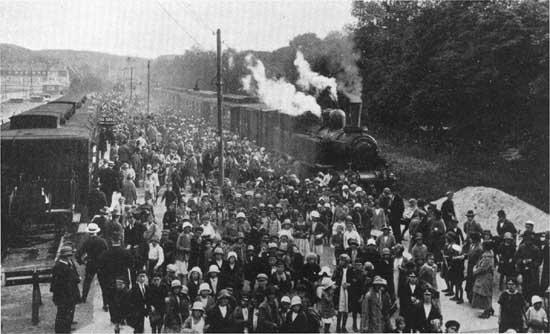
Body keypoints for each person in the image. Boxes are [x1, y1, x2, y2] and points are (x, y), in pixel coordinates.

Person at [76, 223, 108, 306]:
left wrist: (82, 262)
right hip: (101, 265)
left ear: (89, 232)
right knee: (103, 284)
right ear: (97, 232)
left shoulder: (87, 242)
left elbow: (78, 254)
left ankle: (84, 298)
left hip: (91, 264)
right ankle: (105, 303)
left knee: (87, 282)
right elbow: (107, 253)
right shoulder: (102, 241)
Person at [51, 246, 81, 334]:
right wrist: (78, 279)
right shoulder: (64, 268)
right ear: (67, 257)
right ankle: (63, 331)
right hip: (65, 296)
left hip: (63, 295)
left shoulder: (61, 266)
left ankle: (63, 330)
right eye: (70, 256)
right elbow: (70, 281)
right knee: (63, 314)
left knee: (63, 314)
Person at [473, 242, 495, 318]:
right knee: (486, 293)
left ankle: (487, 311)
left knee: (485, 294)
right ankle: (489, 308)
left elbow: (483, 268)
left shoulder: (487, 257)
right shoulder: (487, 255)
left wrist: (475, 271)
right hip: (484, 277)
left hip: (485, 278)